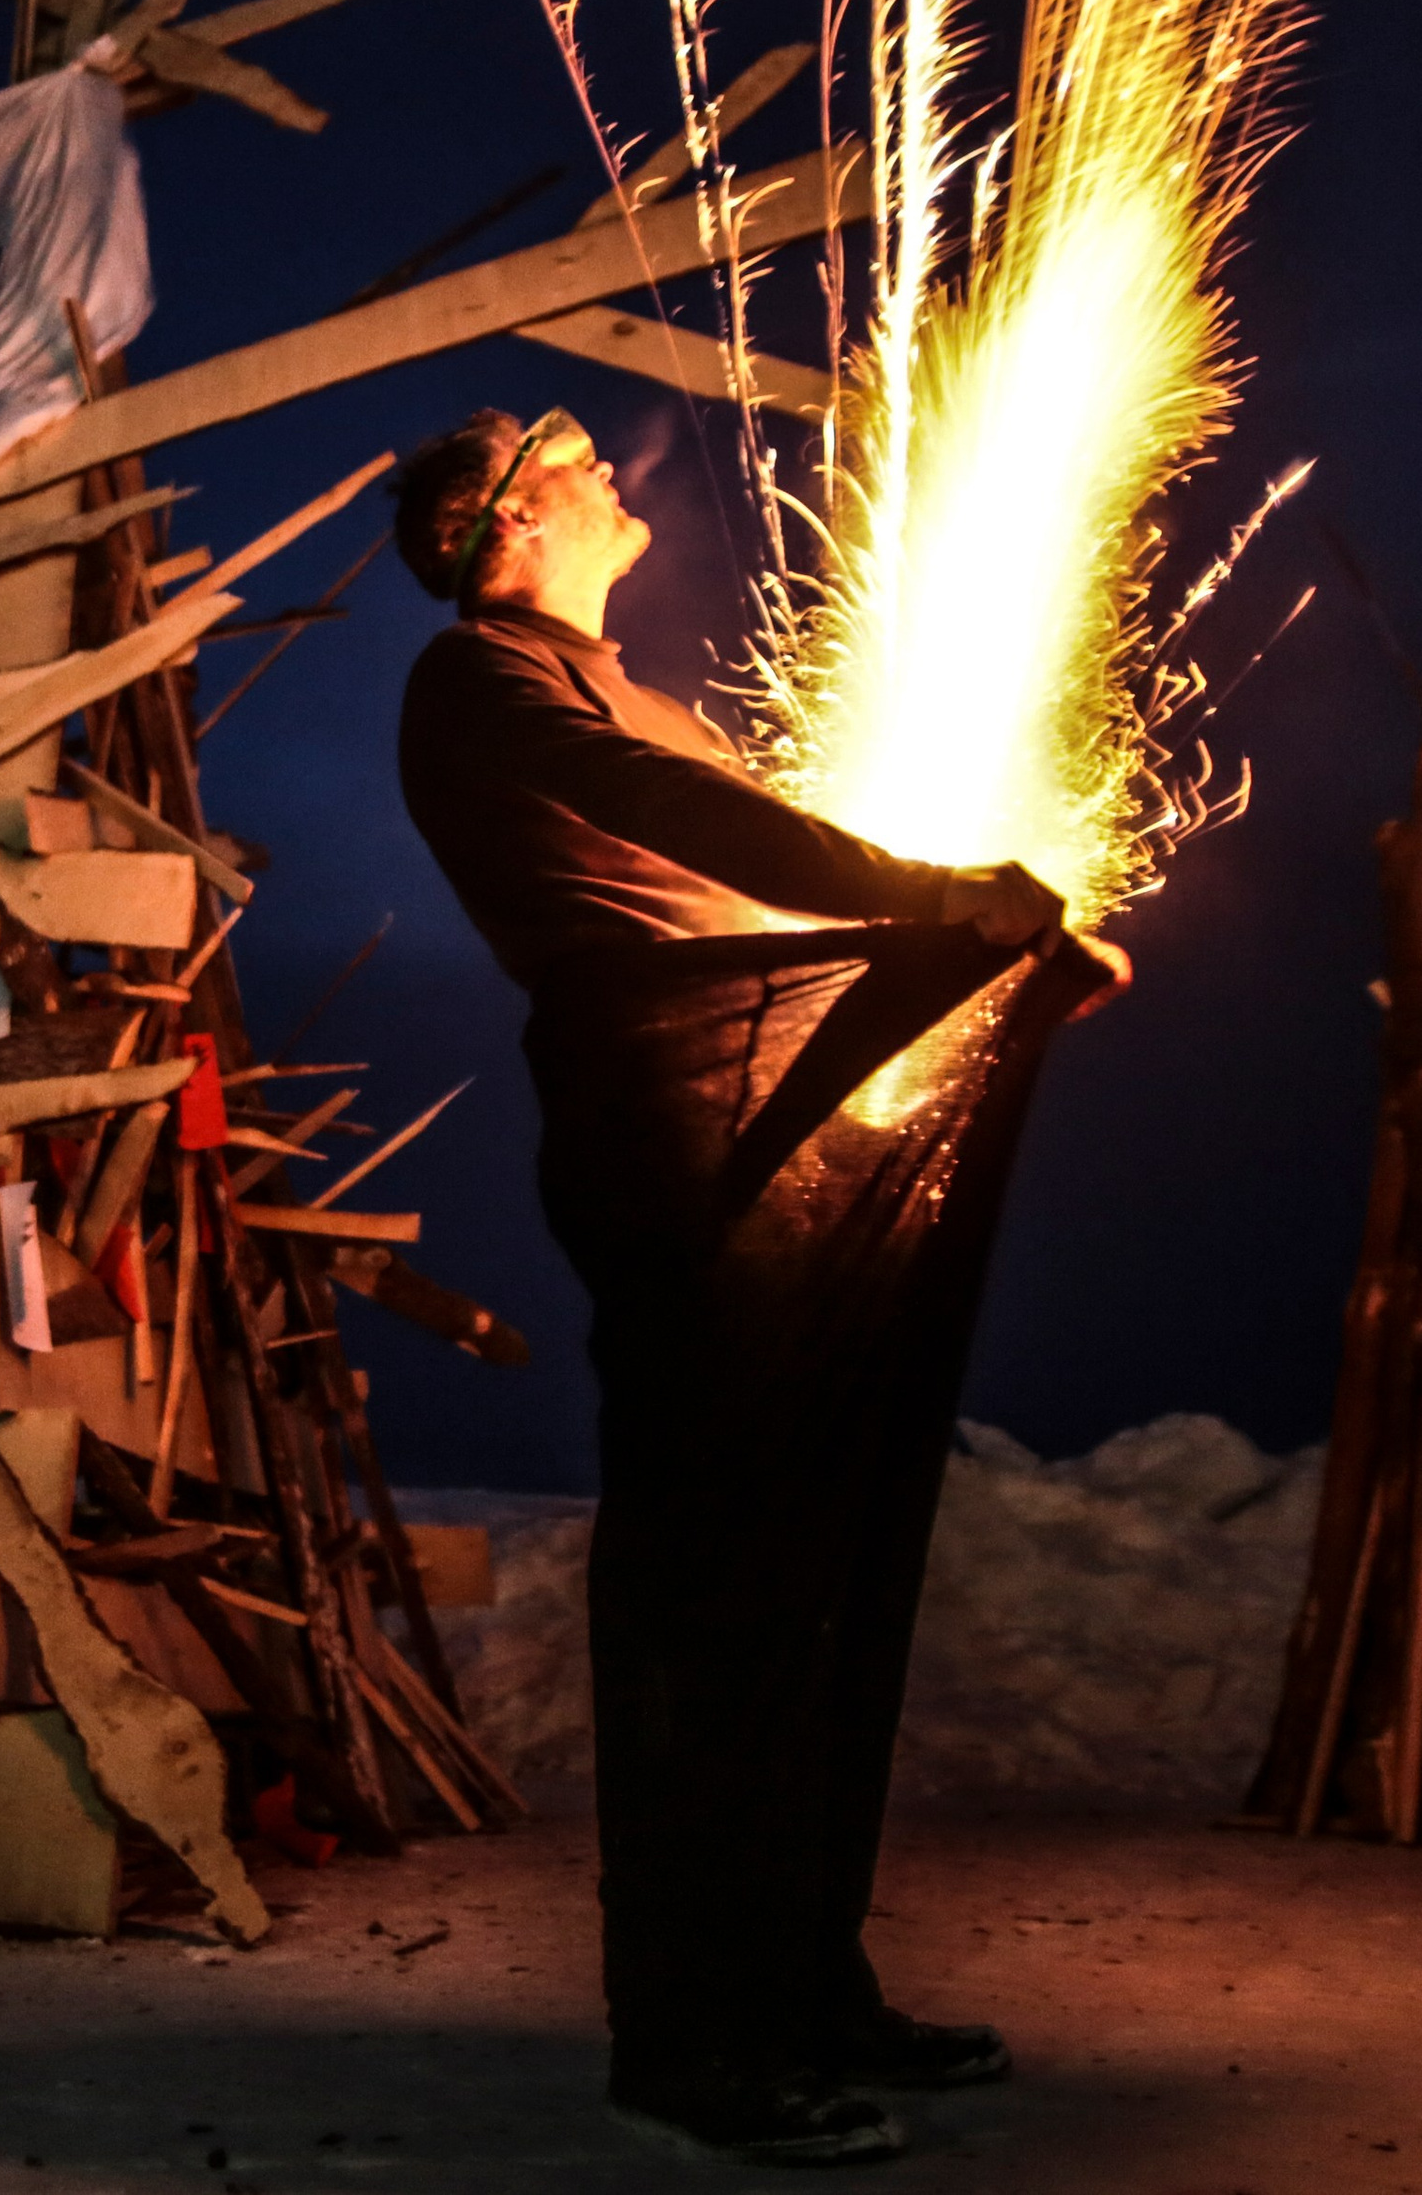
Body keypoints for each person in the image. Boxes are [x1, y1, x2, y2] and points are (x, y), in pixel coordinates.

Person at [391, 406, 1129, 2168]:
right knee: (716, 1587)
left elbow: (763, 869)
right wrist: (943, 901)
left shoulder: (612, 683)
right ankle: (693, 2036)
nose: (594, 462)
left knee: (821, 1573)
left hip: (767, 1160)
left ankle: (805, 1982)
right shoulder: (483, 679)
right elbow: (693, 826)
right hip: (679, 1156)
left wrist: (991, 964)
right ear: (500, 529)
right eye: (553, 448)